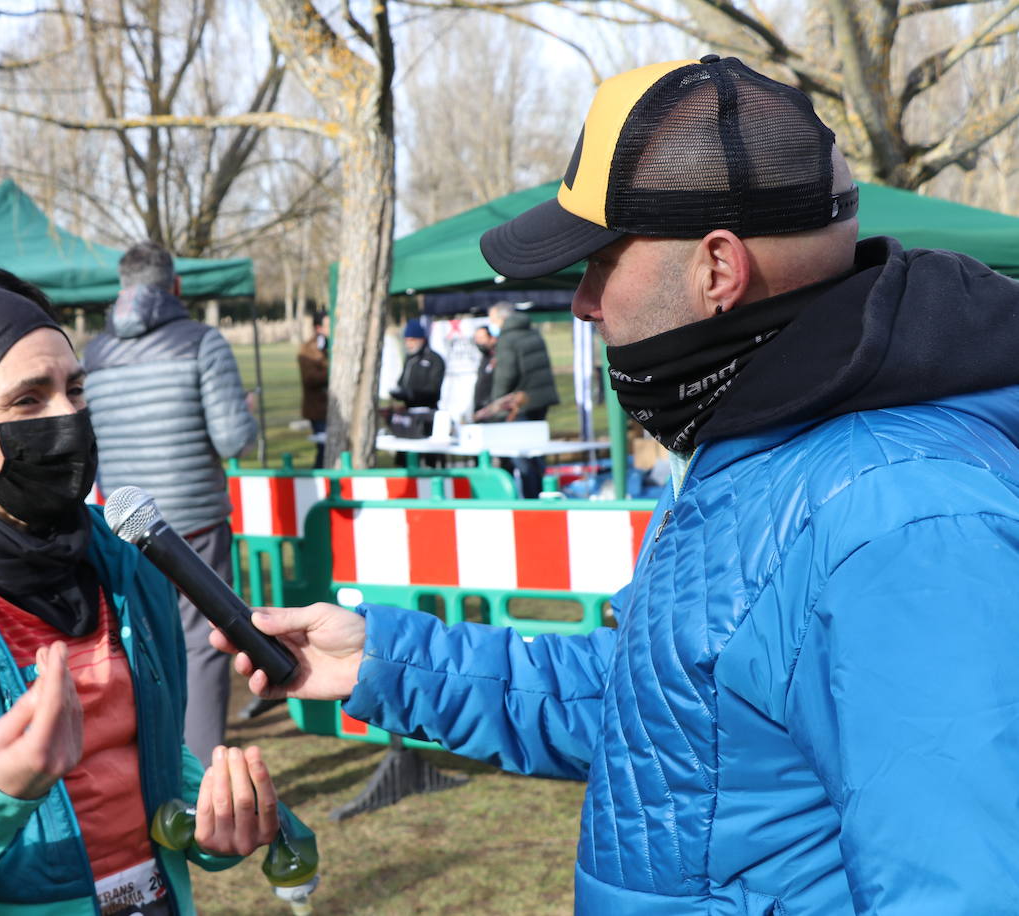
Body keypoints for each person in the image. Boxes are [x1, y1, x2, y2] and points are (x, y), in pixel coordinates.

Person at [214, 55, 1019, 913]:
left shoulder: (904, 516)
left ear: (718, 270)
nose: (582, 304)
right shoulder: (760, 442)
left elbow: (965, 886)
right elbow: (668, 714)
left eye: (598, 262)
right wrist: (382, 662)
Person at [0, 269, 304, 916]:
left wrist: (215, 822)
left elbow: (151, 757)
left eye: (75, 389)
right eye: (28, 400)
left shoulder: (125, 560)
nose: (68, 417)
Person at [83, 241, 258, 763]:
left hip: (124, 523)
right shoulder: (203, 342)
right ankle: (203, 779)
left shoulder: (94, 354)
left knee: (140, 645)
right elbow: (232, 440)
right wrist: (245, 413)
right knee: (204, 647)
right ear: (174, 286)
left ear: (123, 288)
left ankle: (151, 769)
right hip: (195, 520)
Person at [483, 302, 559, 497]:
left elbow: (506, 375)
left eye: (492, 320)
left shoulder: (508, 338)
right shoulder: (533, 332)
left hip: (519, 404)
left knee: (521, 456)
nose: (492, 324)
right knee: (536, 453)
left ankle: (531, 500)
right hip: (540, 399)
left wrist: (496, 404)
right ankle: (545, 494)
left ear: (501, 319)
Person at [297, 309, 330, 468]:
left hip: (332, 409)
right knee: (324, 449)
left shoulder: (333, 345)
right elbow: (310, 379)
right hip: (318, 409)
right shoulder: (308, 350)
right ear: (319, 328)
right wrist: (332, 370)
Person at [388, 318, 444, 410]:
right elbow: (402, 382)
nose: (409, 344)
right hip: (408, 409)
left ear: (421, 339)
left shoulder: (434, 359)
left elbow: (433, 389)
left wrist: (412, 394)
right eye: (407, 340)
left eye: (412, 340)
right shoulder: (409, 359)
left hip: (427, 410)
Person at [471, 324, 496, 415]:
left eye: (481, 338)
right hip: (481, 408)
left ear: (492, 338)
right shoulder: (485, 357)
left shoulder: (498, 356)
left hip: (493, 409)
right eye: (476, 338)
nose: (478, 342)